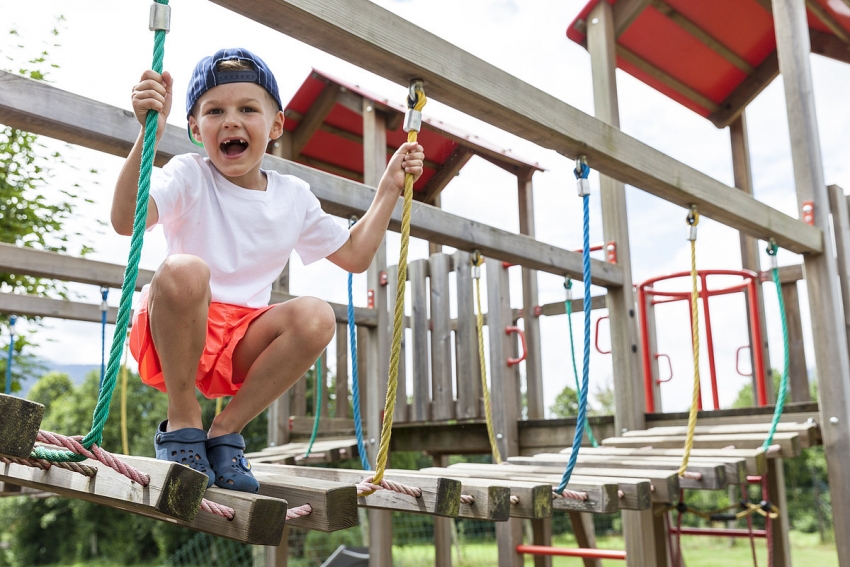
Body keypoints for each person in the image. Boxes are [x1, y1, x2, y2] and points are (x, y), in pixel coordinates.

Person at [111, 48, 424, 493]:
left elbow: (355, 255)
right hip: (178, 327)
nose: (231, 121)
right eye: (215, 110)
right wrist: (150, 136)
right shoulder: (188, 174)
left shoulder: (292, 196)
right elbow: (126, 219)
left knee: (317, 315)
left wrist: (390, 187)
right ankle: (183, 422)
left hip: (242, 341)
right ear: (196, 129)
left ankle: (225, 432)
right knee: (185, 269)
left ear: (275, 125)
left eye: (247, 109)